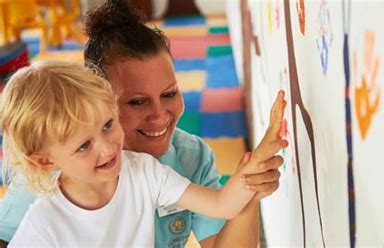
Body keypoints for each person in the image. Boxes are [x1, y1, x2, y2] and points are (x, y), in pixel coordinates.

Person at [0, 1, 284, 247]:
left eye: (170, 94)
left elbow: (225, 209)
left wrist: (252, 184)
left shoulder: (169, 165)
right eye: (137, 102)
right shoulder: (44, 185)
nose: (160, 117)